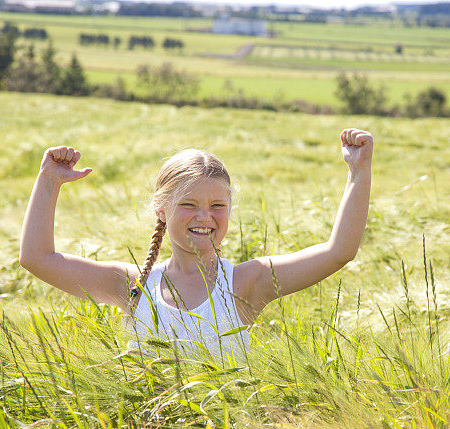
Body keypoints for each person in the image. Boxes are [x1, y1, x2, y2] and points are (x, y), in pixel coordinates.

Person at [19, 128, 373, 360]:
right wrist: (48, 181)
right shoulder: (133, 286)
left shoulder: (246, 284)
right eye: (189, 204)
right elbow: (37, 258)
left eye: (217, 206)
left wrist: (359, 171)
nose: (205, 217)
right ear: (161, 209)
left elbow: (338, 251)